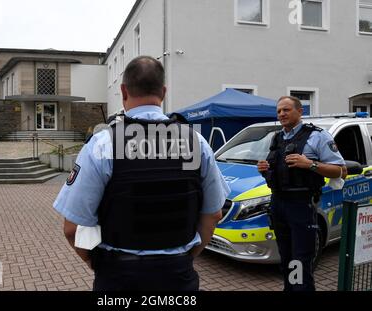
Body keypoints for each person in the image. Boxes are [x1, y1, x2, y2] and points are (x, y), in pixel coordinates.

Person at [53, 56, 230, 291]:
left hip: (118, 277)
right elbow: (214, 214)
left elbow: (72, 227)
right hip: (177, 276)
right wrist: (186, 257)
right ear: (163, 92)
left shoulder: (103, 144)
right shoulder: (196, 143)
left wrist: (98, 266)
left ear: (123, 91)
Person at [257, 96, 347, 291]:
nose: (282, 114)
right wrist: (265, 169)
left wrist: (310, 164)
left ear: (300, 112)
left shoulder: (318, 136)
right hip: (278, 204)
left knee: (301, 260)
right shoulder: (277, 138)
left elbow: (341, 171)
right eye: (279, 111)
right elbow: (279, 172)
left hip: (301, 205)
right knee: (287, 257)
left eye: (287, 110)